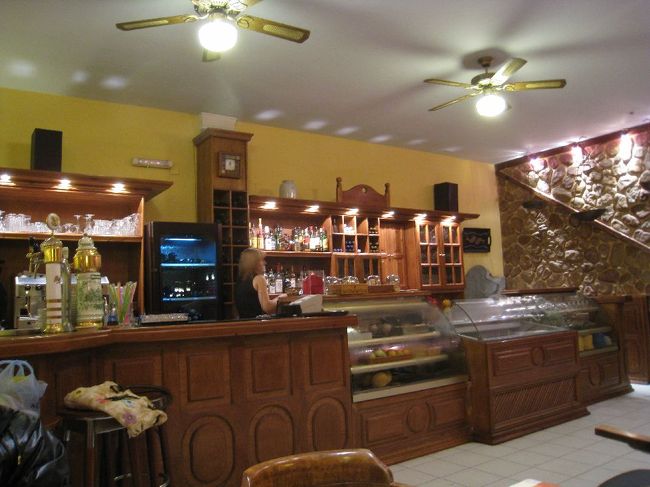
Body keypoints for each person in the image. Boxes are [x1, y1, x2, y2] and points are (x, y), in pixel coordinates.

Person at [235, 248, 286, 319]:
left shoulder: (241, 279)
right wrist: (282, 297)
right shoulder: (259, 279)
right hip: (257, 323)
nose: (265, 263)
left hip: (243, 322)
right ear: (254, 263)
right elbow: (267, 307)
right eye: (262, 260)